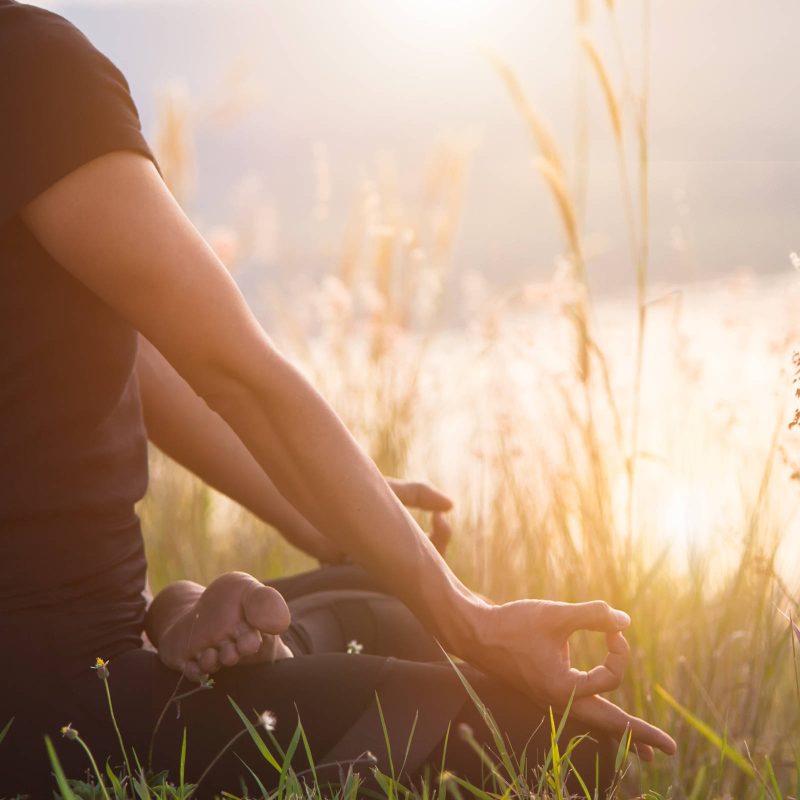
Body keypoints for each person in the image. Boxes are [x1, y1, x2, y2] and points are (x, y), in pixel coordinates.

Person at [0, 2, 676, 796]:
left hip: (74, 656)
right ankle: (177, 652)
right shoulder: (31, 71)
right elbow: (235, 368)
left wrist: (315, 513)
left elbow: (124, 348)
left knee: (378, 605)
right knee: (554, 744)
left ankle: (185, 632)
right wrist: (474, 621)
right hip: (61, 705)